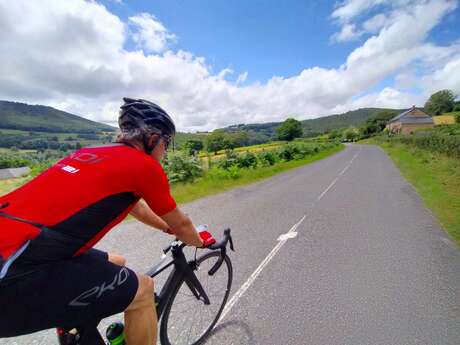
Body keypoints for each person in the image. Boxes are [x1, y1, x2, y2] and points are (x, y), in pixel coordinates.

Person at [0, 98, 215, 344]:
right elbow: (183, 225)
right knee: (143, 290)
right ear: (153, 139)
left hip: (23, 243)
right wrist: (198, 242)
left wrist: (166, 228)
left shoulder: (92, 152)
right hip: (15, 268)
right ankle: (73, 323)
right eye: (166, 143)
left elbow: (134, 205)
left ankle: (77, 328)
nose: (165, 151)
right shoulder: (145, 166)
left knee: (117, 261)